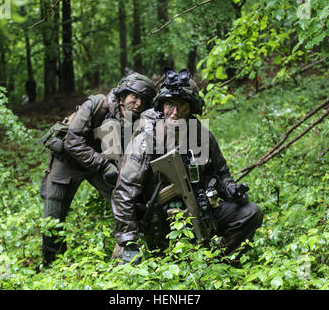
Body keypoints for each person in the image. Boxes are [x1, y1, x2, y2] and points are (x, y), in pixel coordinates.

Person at [111, 69, 263, 264]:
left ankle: (219, 264)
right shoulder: (146, 139)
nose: (174, 113)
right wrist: (128, 241)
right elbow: (123, 193)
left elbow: (221, 173)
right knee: (133, 264)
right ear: (161, 105)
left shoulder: (201, 135)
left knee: (251, 213)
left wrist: (231, 189)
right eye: (169, 105)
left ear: (191, 108)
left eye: (181, 105)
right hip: (156, 219)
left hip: (198, 209)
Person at [39, 73, 156, 265]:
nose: (138, 103)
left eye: (143, 100)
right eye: (134, 97)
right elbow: (73, 142)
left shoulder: (138, 120)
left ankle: (124, 255)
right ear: (122, 95)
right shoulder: (95, 104)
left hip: (102, 163)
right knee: (52, 218)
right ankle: (52, 264)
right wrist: (102, 164)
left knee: (126, 200)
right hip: (68, 161)